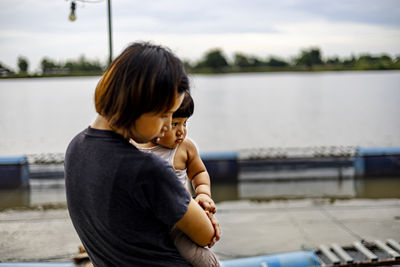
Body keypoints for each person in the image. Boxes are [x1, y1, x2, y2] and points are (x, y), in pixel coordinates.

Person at [64, 42, 220, 267]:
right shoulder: (147, 169)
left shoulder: (76, 148)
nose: (167, 127)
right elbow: (206, 235)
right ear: (139, 103)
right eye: (164, 115)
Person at [133, 93, 220, 267]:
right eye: (174, 124)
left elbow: (198, 173)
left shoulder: (185, 147)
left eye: (185, 123)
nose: (181, 131)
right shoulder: (134, 148)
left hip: (179, 221)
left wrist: (203, 194)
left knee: (200, 257)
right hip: (146, 223)